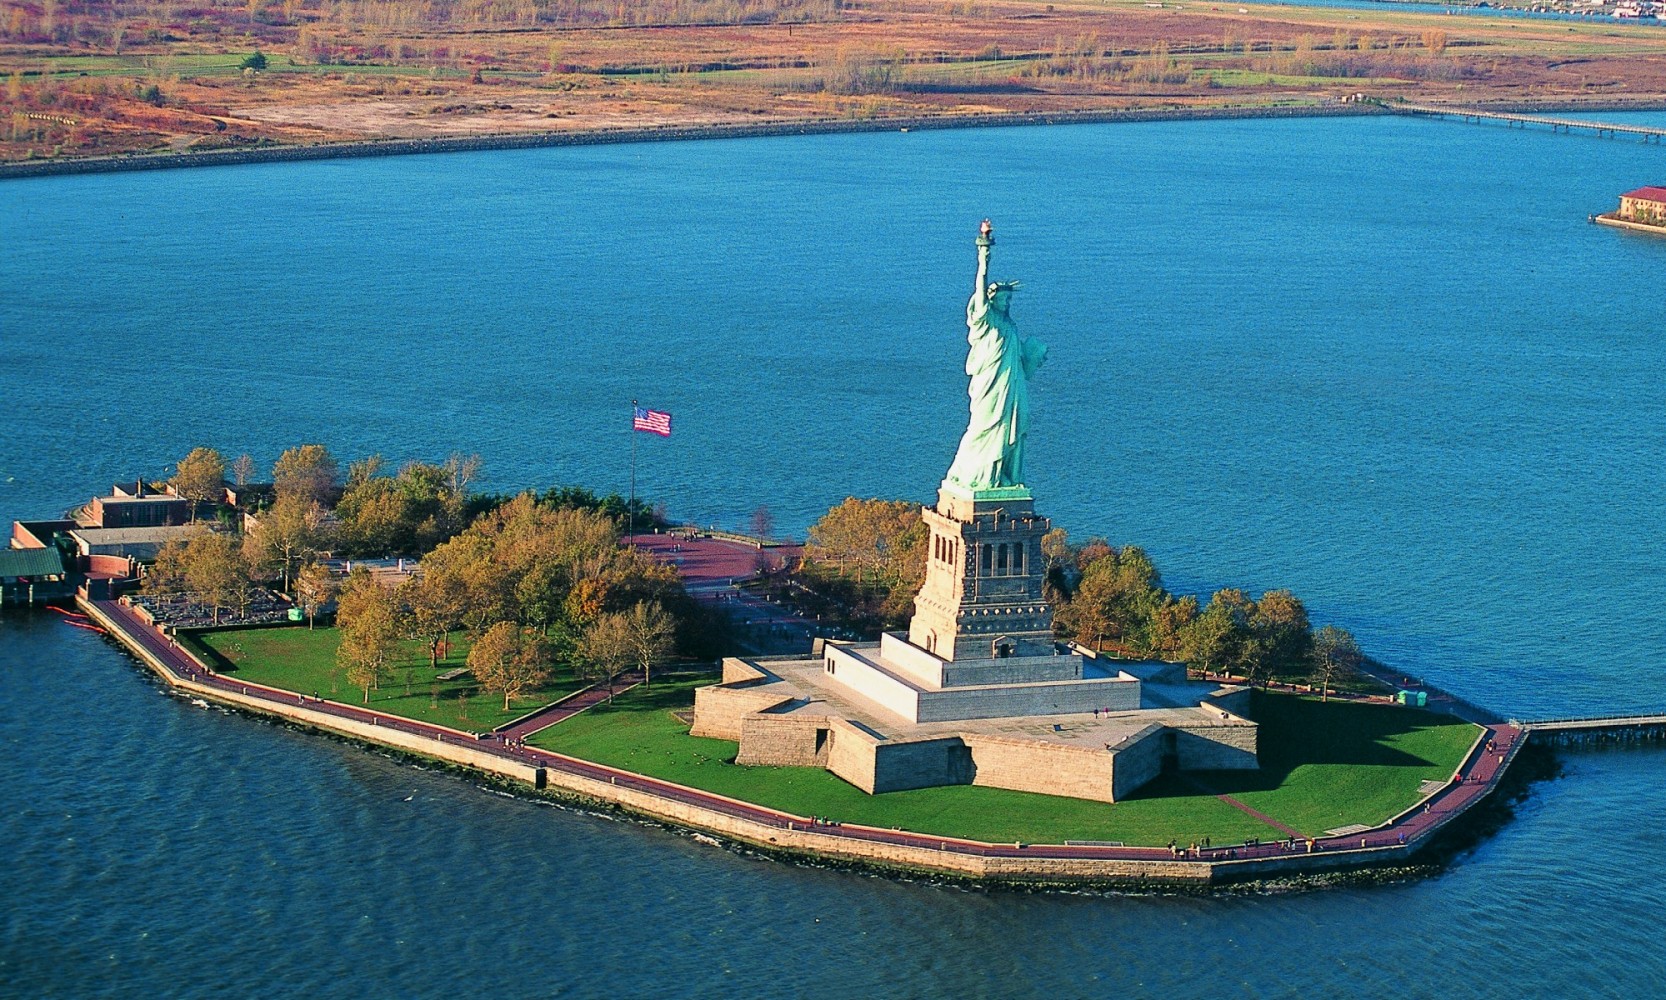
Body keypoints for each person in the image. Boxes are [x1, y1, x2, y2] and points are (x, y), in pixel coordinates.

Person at [943, 219, 1049, 492]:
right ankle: (978, 475)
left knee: (1016, 423)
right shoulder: (985, 320)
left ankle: (1005, 476)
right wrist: (984, 252)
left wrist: (1034, 354)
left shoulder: (1009, 324)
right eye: (1003, 298)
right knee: (983, 428)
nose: (1007, 302)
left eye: (1009, 299)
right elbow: (980, 286)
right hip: (990, 384)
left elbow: (1021, 363)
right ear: (992, 300)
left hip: (1011, 384)